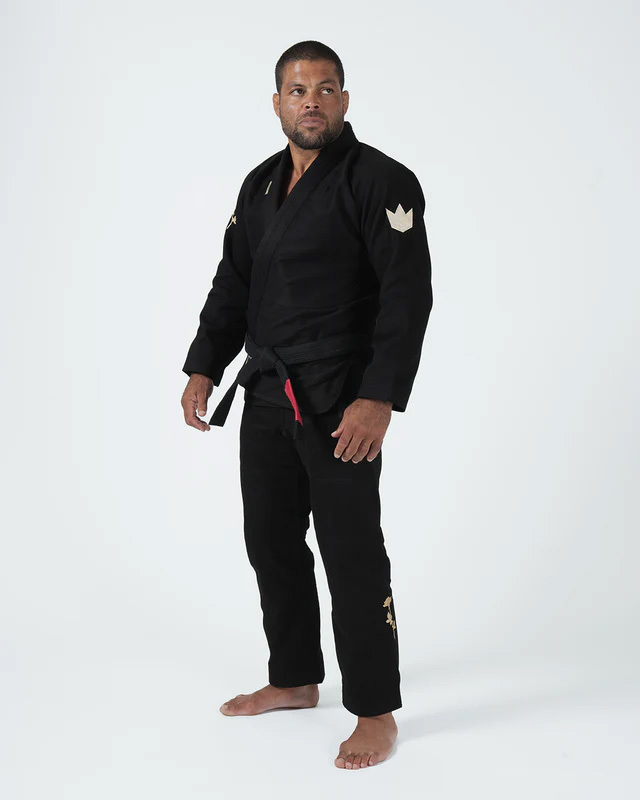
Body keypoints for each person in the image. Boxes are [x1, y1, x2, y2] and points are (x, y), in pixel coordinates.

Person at [180, 40, 433, 770]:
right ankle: (294, 676)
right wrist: (204, 364)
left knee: (351, 550)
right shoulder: (260, 184)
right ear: (277, 103)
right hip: (268, 391)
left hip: (341, 399)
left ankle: (375, 708)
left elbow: (407, 298)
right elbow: (233, 283)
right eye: (297, 90)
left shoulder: (382, 180)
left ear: (344, 100)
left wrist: (378, 399)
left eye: (325, 88)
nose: (311, 101)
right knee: (270, 539)